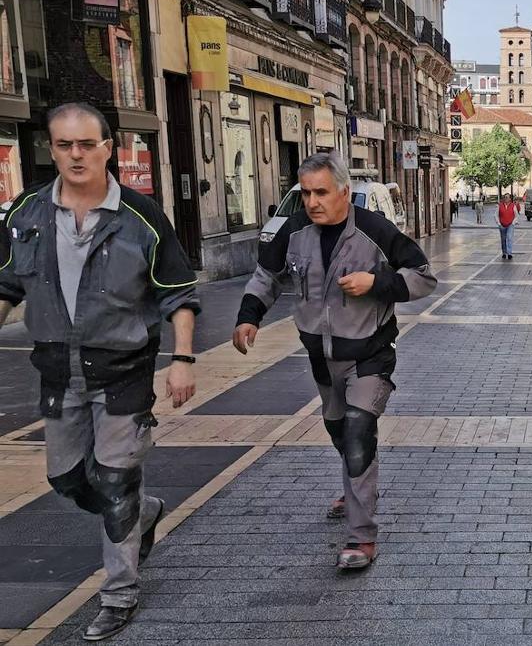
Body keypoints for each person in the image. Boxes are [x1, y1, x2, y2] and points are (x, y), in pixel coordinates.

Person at [0, 103, 199, 641]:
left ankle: (119, 593)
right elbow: (6, 288)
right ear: (51, 147)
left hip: (123, 374)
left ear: (109, 146)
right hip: (57, 373)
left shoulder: (141, 216)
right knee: (66, 479)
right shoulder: (28, 214)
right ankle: (144, 510)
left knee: (114, 480)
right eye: (64, 145)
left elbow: (177, 294)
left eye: (87, 144)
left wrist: (181, 360)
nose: (76, 154)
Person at [233, 153, 435, 570]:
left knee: (360, 432)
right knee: (339, 430)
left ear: (344, 192)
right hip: (322, 357)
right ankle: (357, 485)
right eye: (306, 193)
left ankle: (361, 539)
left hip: (370, 355)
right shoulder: (293, 232)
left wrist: (377, 282)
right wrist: (248, 318)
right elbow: (266, 278)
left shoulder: (375, 230)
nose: (312, 201)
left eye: (321, 192)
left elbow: (423, 276)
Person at [496, 192, 519, 259]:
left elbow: (516, 215)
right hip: (502, 225)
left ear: (510, 199)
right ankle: (504, 252)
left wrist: (513, 223)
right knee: (503, 239)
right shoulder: (499, 206)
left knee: (509, 238)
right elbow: (496, 215)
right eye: (505, 197)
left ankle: (509, 253)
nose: (506, 198)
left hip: (510, 225)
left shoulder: (513, 206)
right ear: (503, 198)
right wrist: (499, 224)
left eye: (508, 197)